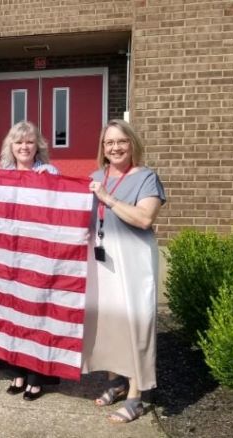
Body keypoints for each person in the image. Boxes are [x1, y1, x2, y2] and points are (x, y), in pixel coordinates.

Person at [82, 119, 165, 423]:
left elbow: (144, 218)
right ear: (102, 149)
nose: (115, 148)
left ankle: (136, 395)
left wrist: (109, 199)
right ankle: (117, 382)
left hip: (133, 261)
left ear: (132, 144)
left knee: (134, 323)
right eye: (109, 143)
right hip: (101, 260)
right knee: (107, 322)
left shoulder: (146, 177)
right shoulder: (95, 176)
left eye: (121, 142)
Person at [0, 121, 60, 401]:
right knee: (14, 316)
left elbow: (59, 211)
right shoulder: (2, 175)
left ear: (38, 146)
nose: (24, 147)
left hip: (40, 255)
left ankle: (36, 377)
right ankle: (17, 372)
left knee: (36, 315)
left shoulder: (50, 173)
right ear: (11, 146)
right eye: (18, 142)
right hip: (10, 256)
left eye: (29, 142)